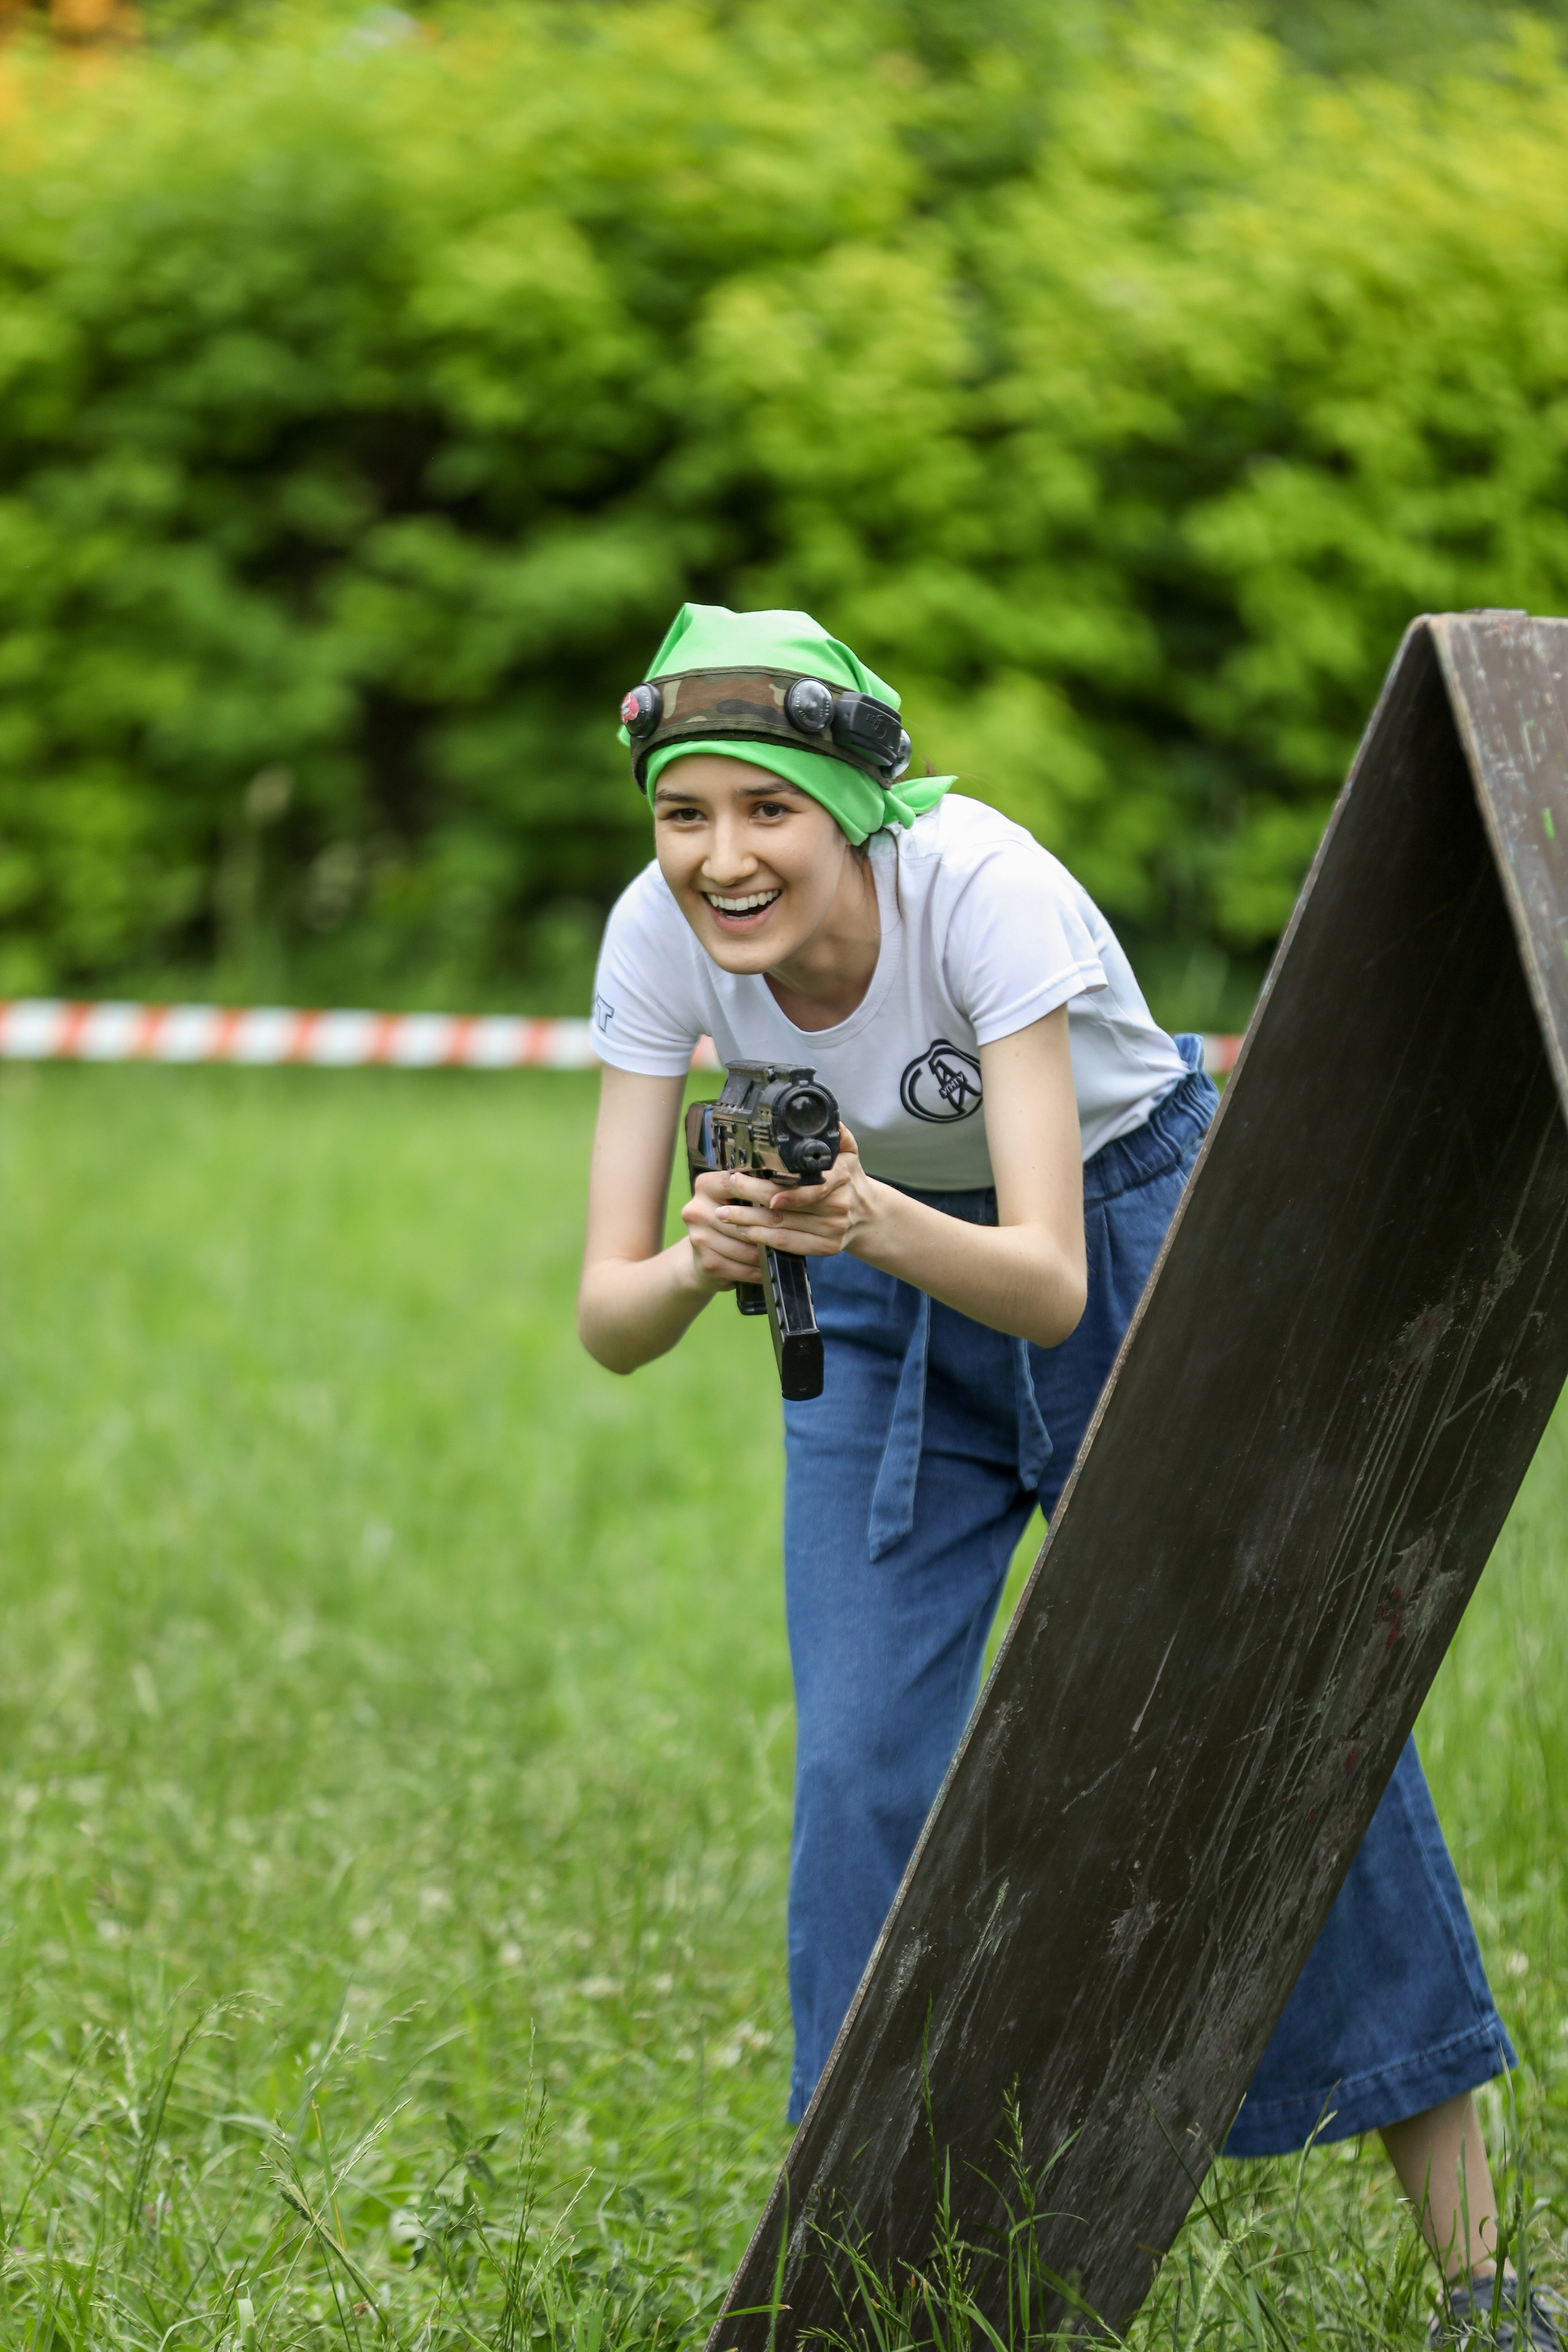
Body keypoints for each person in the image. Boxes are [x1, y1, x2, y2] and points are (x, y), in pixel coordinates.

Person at [577, 603, 1553, 2342]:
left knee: (1284, 1711)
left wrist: (865, 1211)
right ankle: (850, 2283)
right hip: (870, 1305)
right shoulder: (658, 941)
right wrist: (712, 1255)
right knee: (865, 1768)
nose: (723, 856)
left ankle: (1482, 2274)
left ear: (853, 806)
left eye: (767, 809)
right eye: (682, 812)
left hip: (1129, 1234)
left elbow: (1047, 1278)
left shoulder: (986, 891)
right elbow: (609, 1318)